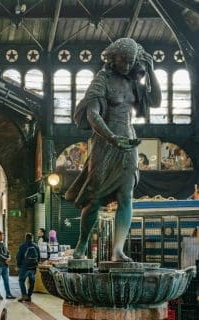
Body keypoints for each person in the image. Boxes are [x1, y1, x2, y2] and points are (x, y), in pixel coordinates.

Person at [66, 38, 161, 262]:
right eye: (123, 61)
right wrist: (111, 137)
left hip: (128, 144)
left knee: (126, 197)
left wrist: (152, 72)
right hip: (105, 144)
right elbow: (92, 115)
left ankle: (118, 250)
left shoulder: (131, 83)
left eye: (131, 62)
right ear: (112, 58)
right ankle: (82, 243)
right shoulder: (102, 80)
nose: (127, 67)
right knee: (95, 199)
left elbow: (155, 101)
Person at [16, 233, 40, 302]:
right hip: (33, 267)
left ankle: (24, 295)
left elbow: (18, 257)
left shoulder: (22, 246)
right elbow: (38, 257)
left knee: (21, 280)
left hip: (25, 267)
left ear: (25, 238)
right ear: (32, 238)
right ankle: (29, 296)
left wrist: (19, 265)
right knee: (32, 282)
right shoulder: (36, 246)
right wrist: (36, 264)